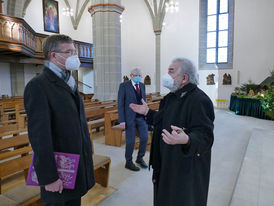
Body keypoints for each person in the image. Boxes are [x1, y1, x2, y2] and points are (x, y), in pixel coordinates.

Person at [130, 58, 215, 206]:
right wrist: (147, 112)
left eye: (171, 71)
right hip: (166, 163)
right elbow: (164, 120)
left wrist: (187, 139)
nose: (166, 75)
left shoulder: (199, 100)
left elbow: (205, 136)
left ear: (185, 78)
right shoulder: (171, 97)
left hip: (184, 170)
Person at [24, 34, 95, 206]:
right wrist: (49, 178)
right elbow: (40, 138)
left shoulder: (69, 81)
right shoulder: (38, 85)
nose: (74, 56)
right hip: (57, 171)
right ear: (53, 55)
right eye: (69, 51)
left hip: (74, 166)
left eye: (74, 51)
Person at [118, 68, 149, 171]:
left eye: (140, 75)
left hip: (141, 118)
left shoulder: (142, 85)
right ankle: (129, 162)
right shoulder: (124, 86)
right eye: (136, 75)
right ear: (131, 76)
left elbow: (143, 101)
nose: (138, 77)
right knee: (130, 141)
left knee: (144, 138)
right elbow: (120, 104)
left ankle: (139, 158)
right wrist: (122, 120)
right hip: (129, 118)